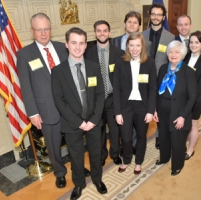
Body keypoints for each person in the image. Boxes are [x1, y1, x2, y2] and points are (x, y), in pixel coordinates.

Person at [51, 27, 107, 200]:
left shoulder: (94, 67)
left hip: (93, 121)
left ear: (85, 45)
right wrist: (78, 122)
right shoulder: (58, 71)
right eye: (73, 43)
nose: (77, 47)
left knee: (96, 153)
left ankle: (97, 180)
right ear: (67, 44)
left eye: (81, 43)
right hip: (71, 123)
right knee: (75, 157)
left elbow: (100, 94)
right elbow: (59, 101)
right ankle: (79, 183)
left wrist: (94, 119)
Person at [17, 13, 69, 189]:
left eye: (46, 28)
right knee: (53, 145)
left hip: (69, 107)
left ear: (50, 29)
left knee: (74, 140)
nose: (43, 33)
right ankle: (60, 173)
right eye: (39, 30)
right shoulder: (24, 54)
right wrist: (32, 113)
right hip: (45, 109)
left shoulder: (63, 48)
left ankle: (77, 167)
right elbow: (26, 86)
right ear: (32, 31)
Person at [113, 32, 157, 175]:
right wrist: (117, 112)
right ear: (127, 46)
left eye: (137, 45)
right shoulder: (120, 62)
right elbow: (117, 88)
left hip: (142, 106)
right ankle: (126, 160)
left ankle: (138, 162)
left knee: (141, 135)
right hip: (125, 106)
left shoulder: (149, 62)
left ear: (142, 46)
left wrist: (150, 110)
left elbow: (152, 88)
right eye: (131, 45)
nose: (134, 48)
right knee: (125, 137)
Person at [153, 40, 197, 176]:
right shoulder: (162, 68)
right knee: (164, 137)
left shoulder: (188, 72)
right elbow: (156, 90)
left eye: (177, 52)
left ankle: (177, 165)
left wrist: (183, 116)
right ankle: (164, 158)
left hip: (179, 113)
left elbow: (192, 97)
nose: (173, 54)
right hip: (162, 110)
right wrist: (155, 109)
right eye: (171, 52)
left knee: (177, 141)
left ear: (183, 54)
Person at [85, 20, 124, 166]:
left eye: (105, 30)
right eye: (99, 30)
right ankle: (102, 154)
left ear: (109, 33)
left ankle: (115, 153)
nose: (102, 33)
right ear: (95, 33)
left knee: (115, 129)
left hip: (114, 98)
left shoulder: (119, 53)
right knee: (99, 130)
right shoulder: (87, 54)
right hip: (96, 100)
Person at [142, 3, 175, 149]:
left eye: (159, 15)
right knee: (145, 108)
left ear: (163, 17)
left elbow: (171, 58)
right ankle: (141, 139)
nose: (156, 17)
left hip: (163, 78)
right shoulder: (142, 35)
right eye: (153, 14)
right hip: (145, 79)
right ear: (150, 15)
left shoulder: (171, 37)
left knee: (161, 110)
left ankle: (159, 137)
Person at [183, 31, 201, 160]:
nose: (193, 45)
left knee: (193, 125)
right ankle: (181, 145)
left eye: (197, 42)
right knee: (183, 124)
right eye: (191, 42)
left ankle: (190, 150)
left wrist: (190, 97)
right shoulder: (185, 57)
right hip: (182, 98)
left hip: (196, 98)